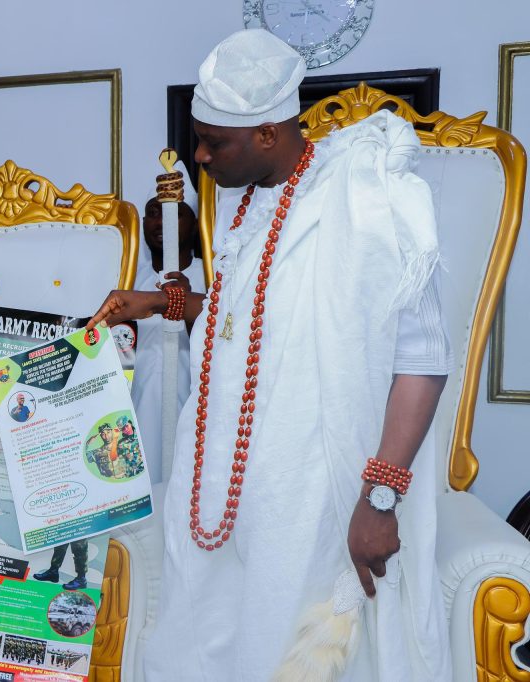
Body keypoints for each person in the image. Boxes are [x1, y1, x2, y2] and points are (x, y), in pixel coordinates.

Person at [89, 29, 451, 681]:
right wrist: (162, 303)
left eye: (213, 142)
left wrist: (380, 499)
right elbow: (250, 320)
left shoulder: (369, 195)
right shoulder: (250, 202)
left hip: (317, 493)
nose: (200, 157)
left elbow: (423, 357)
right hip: (233, 490)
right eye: (197, 138)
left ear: (265, 133)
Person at [130, 194, 204, 480]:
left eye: (175, 214)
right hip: (136, 415)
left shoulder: (213, 275)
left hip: (194, 416)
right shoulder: (127, 278)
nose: (162, 221)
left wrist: (186, 303)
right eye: (153, 213)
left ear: (195, 224)